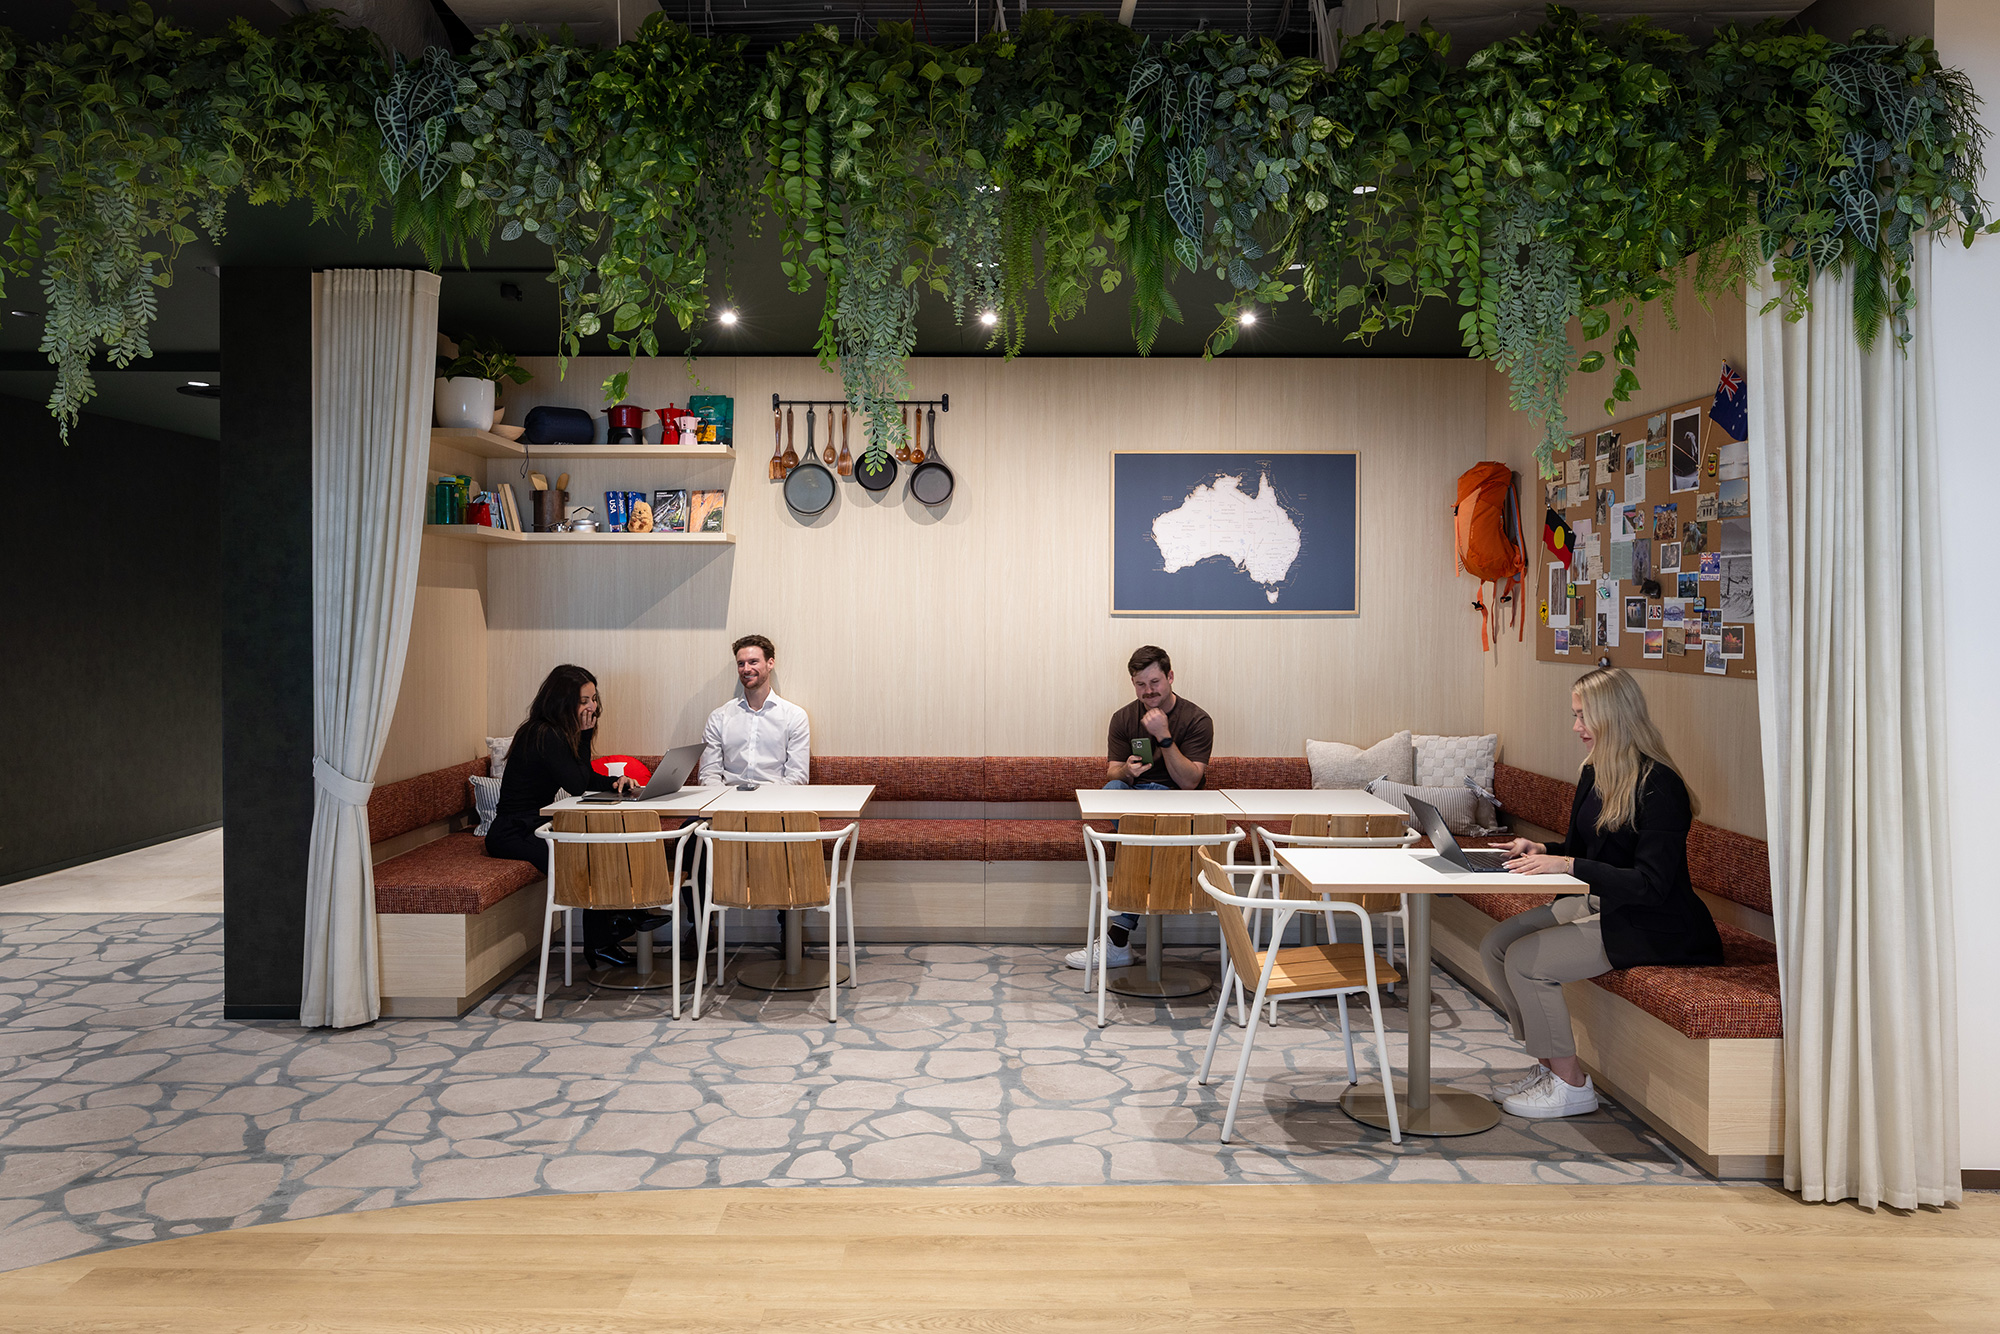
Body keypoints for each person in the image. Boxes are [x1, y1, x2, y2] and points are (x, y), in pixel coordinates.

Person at [1481, 666, 1723, 1119]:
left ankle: (1571, 1084)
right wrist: (1545, 849)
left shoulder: (1659, 786)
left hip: (1653, 922)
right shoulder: (1595, 774)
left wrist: (1567, 864)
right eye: (1574, 716)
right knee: (1496, 945)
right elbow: (1581, 851)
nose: (1576, 729)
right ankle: (1547, 1066)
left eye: (1582, 718)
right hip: (1600, 903)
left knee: (1526, 962)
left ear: (1613, 716)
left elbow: (1650, 884)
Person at [485, 664, 666, 971]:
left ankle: (615, 926)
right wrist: (584, 736)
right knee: (582, 859)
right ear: (562, 701)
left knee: (597, 849)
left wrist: (617, 781)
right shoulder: (544, 734)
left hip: (535, 826)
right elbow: (577, 783)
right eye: (584, 700)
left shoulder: (554, 732)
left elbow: (585, 777)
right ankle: (614, 926)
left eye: (593, 699)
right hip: (512, 832)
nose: (592, 707)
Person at [1064, 645, 1215, 971]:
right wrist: (1127, 772)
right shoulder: (1122, 718)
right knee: (1112, 790)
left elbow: (1190, 782)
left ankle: (1117, 939)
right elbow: (1112, 771)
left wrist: (1164, 737)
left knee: (1145, 839)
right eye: (1140, 684)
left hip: (1179, 806)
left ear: (1170, 677)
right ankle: (1119, 940)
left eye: (1155, 682)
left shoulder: (1197, 719)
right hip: (1133, 804)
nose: (1148, 691)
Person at [698, 634, 810, 786]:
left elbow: (797, 776)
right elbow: (708, 774)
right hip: (727, 802)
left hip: (776, 803)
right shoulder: (719, 717)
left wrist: (765, 802)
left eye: (753, 662)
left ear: (770, 663)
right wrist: (724, 802)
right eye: (741, 664)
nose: (746, 669)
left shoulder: (794, 716)